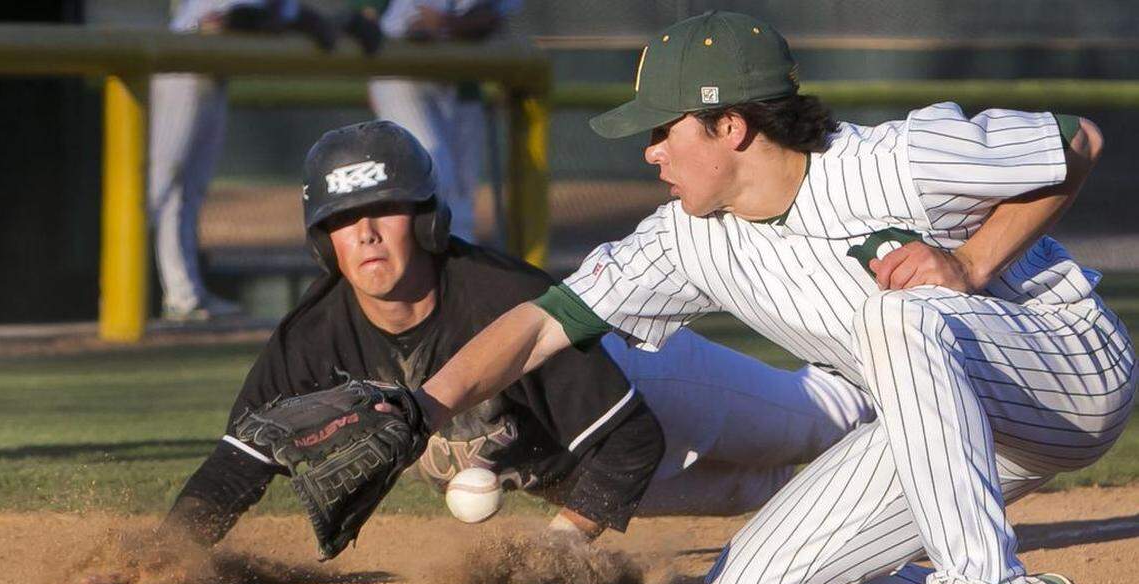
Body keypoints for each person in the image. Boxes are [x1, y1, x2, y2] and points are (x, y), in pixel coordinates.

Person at [396, 12, 1136, 584]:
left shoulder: (890, 161)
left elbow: (1074, 140)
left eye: (664, 129)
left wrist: (972, 262)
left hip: (1067, 369)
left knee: (896, 313)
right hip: (951, 428)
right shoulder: (688, 237)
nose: (651, 152)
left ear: (732, 125)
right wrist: (417, 412)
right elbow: (542, 324)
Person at [150, 119, 870, 554]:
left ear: (428, 219)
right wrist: (164, 556)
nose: (365, 232)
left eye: (386, 209)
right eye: (343, 218)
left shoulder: (496, 300)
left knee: (830, 425)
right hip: (579, 465)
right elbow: (240, 459)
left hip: (644, 380)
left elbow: (632, 440)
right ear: (321, 241)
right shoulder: (314, 337)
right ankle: (925, 478)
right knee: (768, 492)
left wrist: (556, 549)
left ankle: (922, 399)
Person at [149, 0, 336, 321]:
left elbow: (280, 16)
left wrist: (307, 21)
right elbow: (233, 18)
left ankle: (184, 294)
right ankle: (132, 286)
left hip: (210, 75)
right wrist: (292, 21)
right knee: (163, 183)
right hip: (180, 64)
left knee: (190, 189)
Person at [359, 0, 521, 242]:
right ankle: (423, 269)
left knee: (463, 196)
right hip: (401, 73)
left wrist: (459, 25)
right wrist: (467, 24)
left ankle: (459, 273)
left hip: (458, 79)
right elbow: (422, 25)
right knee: (432, 174)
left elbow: (492, 20)